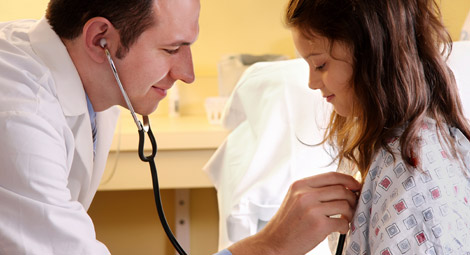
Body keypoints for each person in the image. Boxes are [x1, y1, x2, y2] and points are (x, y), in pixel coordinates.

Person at [0, 0, 361, 254]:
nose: (187, 74)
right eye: (173, 49)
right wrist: (271, 246)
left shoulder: (87, 76)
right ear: (100, 40)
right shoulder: (18, 118)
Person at [285, 0, 470, 254]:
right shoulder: (386, 145)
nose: (311, 82)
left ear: (371, 53)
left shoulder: (412, 170)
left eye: (320, 65)